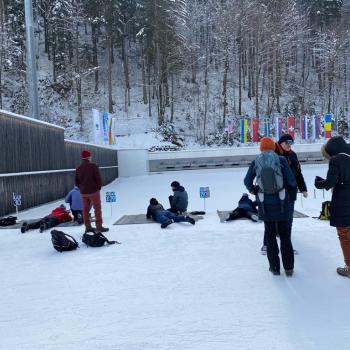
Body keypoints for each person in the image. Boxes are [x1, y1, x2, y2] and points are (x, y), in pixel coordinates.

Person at [244, 137, 297, 276]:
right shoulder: (281, 160)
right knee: (285, 235)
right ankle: (289, 268)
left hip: (265, 204)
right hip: (282, 202)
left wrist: (254, 190)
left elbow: (247, 181)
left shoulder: (256, 161)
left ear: (261, 148)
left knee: (270, 235)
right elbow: (291, 181)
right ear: (273, 147)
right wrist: (290, 196)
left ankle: (274, 268)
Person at [261, 133, 308, 254]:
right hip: (274, 192)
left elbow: (298, 173)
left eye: (291, 143)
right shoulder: (272, 154)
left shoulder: (293, 155)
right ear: (281, 143)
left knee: (288, 219)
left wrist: (303, 188)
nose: (289, 146)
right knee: (272, 218)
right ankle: (266, 244)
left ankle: (287, 246)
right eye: (287, 143)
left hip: (290, 192)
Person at [315, 136, 350, 277]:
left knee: (344, 234)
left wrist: (319, 183)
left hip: (343, 201)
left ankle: (349, 266)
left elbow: (330, 182)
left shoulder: (336, 160)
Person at [75, 150, 108, 234]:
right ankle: (99, 226)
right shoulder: (93, 166)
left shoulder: (78, 168)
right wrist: (98, 187)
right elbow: (98, 179)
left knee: (85, 210)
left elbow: (76, 182)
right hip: (93, 191)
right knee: (97, 208)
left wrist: (82, 188)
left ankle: (88, 227)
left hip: (83, 193)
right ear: (89, 157)